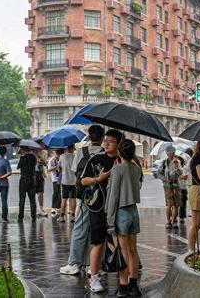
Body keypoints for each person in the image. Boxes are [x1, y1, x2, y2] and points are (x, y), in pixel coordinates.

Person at [59, 124, 104, 276]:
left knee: (79, 229)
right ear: (103, 138)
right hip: (102, 198)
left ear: (90, 138)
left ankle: (74, 263)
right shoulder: (107, 153)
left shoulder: (81, 152)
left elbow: (75, 172)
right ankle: (95, 265)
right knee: (97, 230)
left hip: (85, 197)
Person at [81, 129, 122, 294]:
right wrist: (99, 178)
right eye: (106, 140)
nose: (106, 143)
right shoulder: (96, 159)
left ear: (119, 144)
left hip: (118, 206)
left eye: (111, 141)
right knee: (98, 242)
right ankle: (94, 277)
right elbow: (83, 180)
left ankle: (123, 277)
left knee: (120, 241)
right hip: (98, 206)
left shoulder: (123, 160)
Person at [106, 140, 142, 297]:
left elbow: (113, 196)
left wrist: (109, 218)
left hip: (120, 212)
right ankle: (134, 285)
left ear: (120, 152)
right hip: (134, 211)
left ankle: (123, 286)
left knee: (122, 252)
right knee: (133, 250)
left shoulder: (117, 170)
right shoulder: (136, 168)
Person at [158, 146, 183, 229]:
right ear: (167, 153)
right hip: (167, 186)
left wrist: (177, 169)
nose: (172, 154)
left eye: (173, 152)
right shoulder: (164, 163)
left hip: (176, 185)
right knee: (169, 204)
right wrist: (165, 179)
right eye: (170, 153)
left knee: (177, 204)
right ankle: (168, 221)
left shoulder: (177, 162)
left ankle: (174, 221)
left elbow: (181, 172)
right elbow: (159, 173)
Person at [18, 145, 37, 222]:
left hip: (23, 179)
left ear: (23, 150)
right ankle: (33, 216)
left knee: (22, 199)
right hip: (32, 179)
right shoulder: (33, 157)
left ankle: (20, 217)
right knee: (32, 199)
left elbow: (18, 166)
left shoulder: (22, 158)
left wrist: (22, 157)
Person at [58, 145, 77, 222]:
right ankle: (72, 216)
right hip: (73, 181)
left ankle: (62, 217)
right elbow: (76, 169)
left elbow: (59, 168)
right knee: (73, 198)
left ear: (66, 148)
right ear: (72, 148)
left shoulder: (62, 156)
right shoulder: (75, 156)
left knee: (64, 199)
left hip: (64, 181)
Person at [48, 151, 62, 216]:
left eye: (59, 154)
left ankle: (58, 206)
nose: (58, 156)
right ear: (54, 154)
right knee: (56, 192)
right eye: (57, 154)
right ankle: (53, 207)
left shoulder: (60, 159)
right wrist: (55, 167)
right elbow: (49, 169)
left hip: (60, 178)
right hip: (55, 178)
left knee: (59, 192)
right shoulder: (51, 160)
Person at [177, 154, 188, 223]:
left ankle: (182, 216)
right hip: (177, 187)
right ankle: (175, 216)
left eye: (179, 160)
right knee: (176, 203)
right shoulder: (176, 168)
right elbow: (181, 176)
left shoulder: (184, 168)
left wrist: (182, 176)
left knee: (183, 203)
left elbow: (186, 176)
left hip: (183, 187)